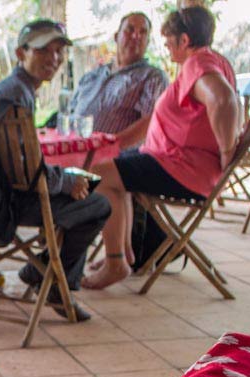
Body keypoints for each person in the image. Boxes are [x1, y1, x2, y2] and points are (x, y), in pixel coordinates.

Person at [82, 5, 239, 289]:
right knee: (115, 170)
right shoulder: (214, 60)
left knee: (96, 174)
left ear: (185, 41)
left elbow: (223, 100)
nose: (167, 49)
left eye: (169, 43)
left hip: (182, 167)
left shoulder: (198, 64)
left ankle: (116, 261)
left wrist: (228, 152)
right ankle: (124, 255)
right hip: (171, 160)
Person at [0, 19, 112, 321]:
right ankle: (46, 275)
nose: (53, 58)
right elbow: (26, 173)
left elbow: (23, 162)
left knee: (81, 193)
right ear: (21, 53)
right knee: (97, 204)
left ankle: (45, 273)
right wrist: (66, 182)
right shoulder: (14, 95)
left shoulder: (10, 90)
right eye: (43, 50)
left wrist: (67, 180)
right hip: (11, 203)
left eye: (57, 51)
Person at [67, 12, 168, 150]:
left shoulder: (152, 77)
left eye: (143, 32)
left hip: (112, 161)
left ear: (148, 42)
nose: (136, 36)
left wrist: (108, 148)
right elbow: (69, 112)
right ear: (116, 36)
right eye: (130, 30)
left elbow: (150, 122)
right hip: (70, 150)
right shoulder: (92, 75)